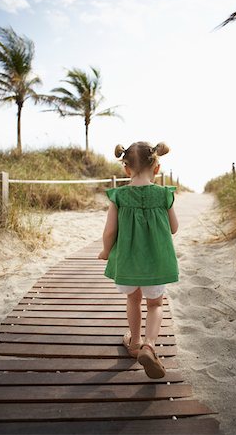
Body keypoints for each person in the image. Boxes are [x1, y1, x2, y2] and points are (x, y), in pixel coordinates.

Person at [98, 141, 179, 379]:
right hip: (156, 262)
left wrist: (105, 251)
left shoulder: (118, 196)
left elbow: (109, 232)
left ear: (126, 169)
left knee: (133, 300)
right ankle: (149, 345)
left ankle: (134, 342)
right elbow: (174, 228)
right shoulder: (165, 194)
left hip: (128, 263)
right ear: (156, 168)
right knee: (155, 305)